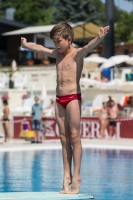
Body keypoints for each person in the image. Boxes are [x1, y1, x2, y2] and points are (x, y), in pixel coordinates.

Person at [21, 22, 109, 194]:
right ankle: (66, 176)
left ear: (69, 39)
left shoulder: (76, 54)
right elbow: (39, 48)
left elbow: (88, 47)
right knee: (63, 138)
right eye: (54, 41)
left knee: (75, 137)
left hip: (72, 98)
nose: (55, 45)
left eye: (58, 41)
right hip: (59, 99)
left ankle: (76, 178)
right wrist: (26, 45)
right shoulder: (56, 53)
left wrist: (99, 38)